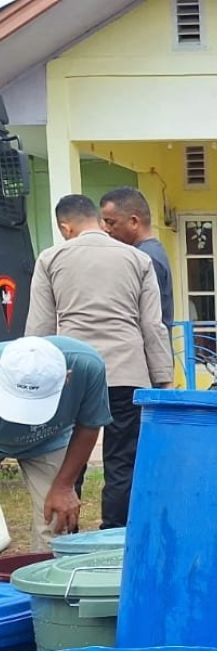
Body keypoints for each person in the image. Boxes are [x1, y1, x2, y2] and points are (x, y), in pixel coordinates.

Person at [26, 194, 174, 530]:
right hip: (127, 372)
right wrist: (163, 379)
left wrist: (37, 381)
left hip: (72, 374)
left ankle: (66, 537)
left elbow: (40, 328)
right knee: (122, 461)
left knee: (68, 458)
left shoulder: (51, 258)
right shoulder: (137, 260)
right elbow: (152, 325)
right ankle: (115, 538)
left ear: (66, 227)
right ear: (97, 219)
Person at [0, 336, 111, 550]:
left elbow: (89, 425)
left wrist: (64, 486)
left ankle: (45, 576)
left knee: (55, 521)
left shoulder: (87, 366)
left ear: (67, 377)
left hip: (49, 439)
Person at [99, 187, 174, 329]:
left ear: (134, 221)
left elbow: (149, 320)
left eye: (111, 222)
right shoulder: (147, 252)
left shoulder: (146, 258)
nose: (106, 229)